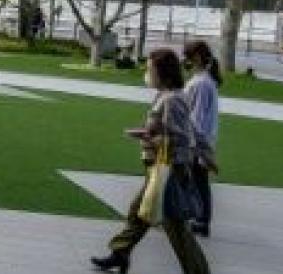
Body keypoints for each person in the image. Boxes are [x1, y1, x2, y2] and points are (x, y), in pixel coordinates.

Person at [91, 49, 214, 274]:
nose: (147, 74)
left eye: (150, 69)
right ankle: (120, 253)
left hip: (169, 170)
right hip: (159, 168)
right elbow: (184, 131)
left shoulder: (173, 99)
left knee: (175, 227)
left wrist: (149, 136)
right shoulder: (167, 95)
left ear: (163, 73)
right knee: (138, 212)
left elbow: (181, 137)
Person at [183, 40, 222, 237]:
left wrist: (193, 145)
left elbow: (196, 118)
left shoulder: (201, 84)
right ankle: (199, 218)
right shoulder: (204, 81)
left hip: (197, 141)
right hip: (201, 140)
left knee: (198, 181)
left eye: (188, 56)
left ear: (196, 57)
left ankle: (201, 220)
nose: (185, 60)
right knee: (197, 181)